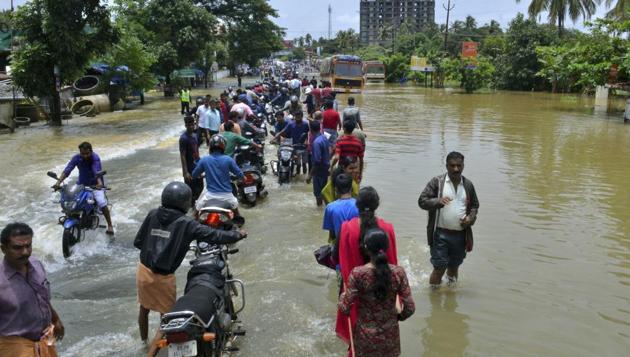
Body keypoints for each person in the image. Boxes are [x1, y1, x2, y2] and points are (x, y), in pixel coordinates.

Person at [134, 182, 246, 356]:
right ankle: (150, 354)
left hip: (143, 270)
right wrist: (237, 234)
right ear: (185, 202)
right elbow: (214, 235)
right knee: (168, 321)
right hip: (163, 277)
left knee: (144, 309)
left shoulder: (153, 213)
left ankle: (143, 342)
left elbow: (138, 242)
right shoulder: (185, 223)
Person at [335, 186, 398, 345]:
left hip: (354, 294)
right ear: (377, 205)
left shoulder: (347, 229)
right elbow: (393, 263)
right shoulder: (387, 228)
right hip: (382, 291)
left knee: (356, 340)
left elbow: (337, 258)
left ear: (357, 204)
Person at [338, 228, 415, 357]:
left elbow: (345, 308)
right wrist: (397, 318)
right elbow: (410, 307)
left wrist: (342, 296)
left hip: (365, 338)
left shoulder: (358, 273)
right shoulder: (398, 272)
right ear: (386, 247)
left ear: (366, 249)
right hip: (390, 335)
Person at [1, 223, 64, 357]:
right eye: (17, 248)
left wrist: (55, 319)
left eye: (28, 246)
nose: (25, 252)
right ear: (3, 249)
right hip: (13, 348)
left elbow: (42, 297)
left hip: (44, 341)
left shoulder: (36, 265)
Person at [418, 151, 479, 288]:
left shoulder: (468, 185)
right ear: (446, 166)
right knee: (439, 268)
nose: (456, 169)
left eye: (459, 165)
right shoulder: (437, 183)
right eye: (452, 166)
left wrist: (470, 218)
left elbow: (475, 206)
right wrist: (437, 201)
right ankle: (434, 299)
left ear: (463, 166)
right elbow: (422, 201)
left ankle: (451, 297)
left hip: (460, 235)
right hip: (440, 234)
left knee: (454, 267)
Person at [53, 142, 114, 234]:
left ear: (91, 151)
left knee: (101, 202)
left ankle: (110, 225)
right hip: (81, 185)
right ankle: (69, 217)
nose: (85, 156)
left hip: (95, 185)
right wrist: (58, 183)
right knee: (70, 198)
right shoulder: (77, 158)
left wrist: (100, 183)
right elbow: (67, 170)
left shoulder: (95, 158)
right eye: (83, 153)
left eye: (87, 153)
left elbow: (96, 170)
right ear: (80, 152)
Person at [192, 135, 244, 216]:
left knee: (195, 213)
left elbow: (194, 175)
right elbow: (240, 174)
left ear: (210, 147)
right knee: (238, 217)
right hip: (227, 196)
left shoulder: (205, 159)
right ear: (223, 147)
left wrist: (201, 175)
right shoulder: (228, 159)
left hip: (209, 196)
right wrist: (243, 178)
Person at [323, 174, 359, 246]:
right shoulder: (359, 205)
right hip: (355, 245)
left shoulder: (330, 207)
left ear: (336, 189)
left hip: (339, 246)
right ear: (351, 188)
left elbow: (332, 233)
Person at [179, 116, 203, 208]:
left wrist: (201, 166)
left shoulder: (195, 135)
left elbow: (196, 151)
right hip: (189, 168)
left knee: (200, 189)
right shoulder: (183, 138)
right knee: (191, 192)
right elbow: (182, 155)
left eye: (192, 124)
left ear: (194, 124)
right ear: (185, 125)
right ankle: (192, 210)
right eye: (188, 125)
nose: (191, 126)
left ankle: (199, 209)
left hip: (197, 166)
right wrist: (185, 172)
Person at [306, 120, 329, 206]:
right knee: (324, 192)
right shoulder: (324, 138)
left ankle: (319, 210)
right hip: (325, 170)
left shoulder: (316, 143)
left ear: (311, 130)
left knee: (318, 194)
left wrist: (310, 175)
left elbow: (317, 162)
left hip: (319, 172)